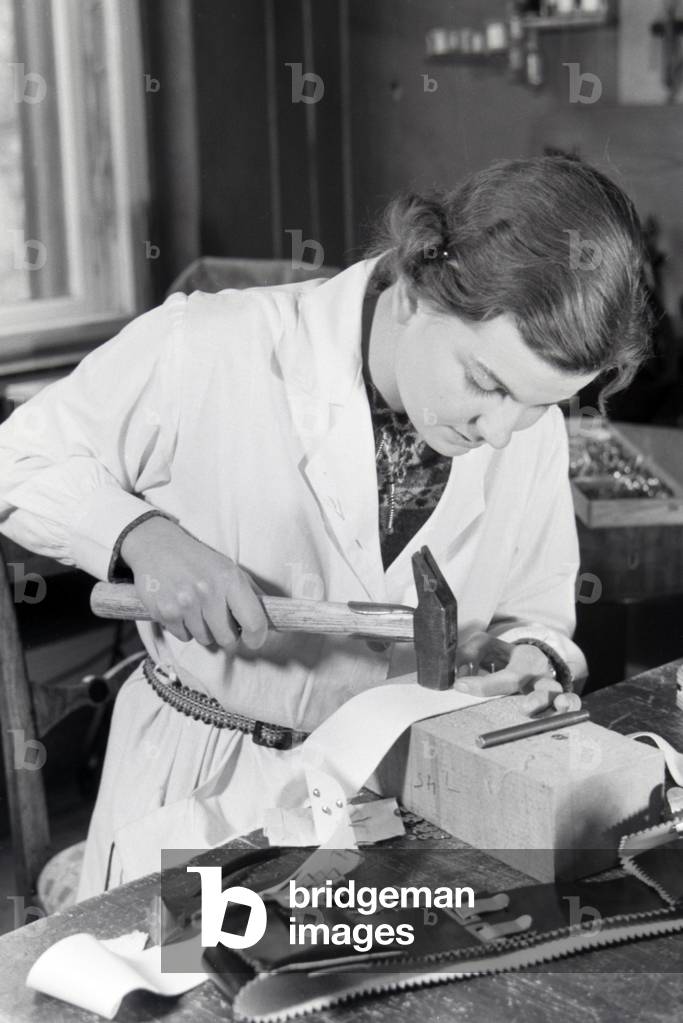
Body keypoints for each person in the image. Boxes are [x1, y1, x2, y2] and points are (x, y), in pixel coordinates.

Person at [0, 156, 649, 900]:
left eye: (539, 404)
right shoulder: (213, 345)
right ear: (413, 290)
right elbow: (16, 458)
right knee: (186, 1000)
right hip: (207, 788)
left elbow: (535, 614)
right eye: (486, 382)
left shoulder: (525, 432)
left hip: (400, 802)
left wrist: (523, 662)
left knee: (364, 1001)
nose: (502, 430)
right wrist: (142, 537)